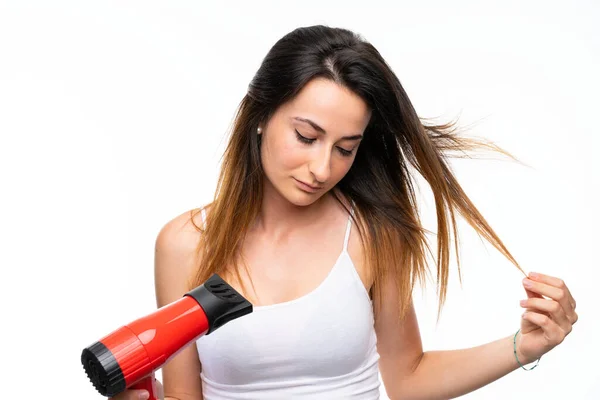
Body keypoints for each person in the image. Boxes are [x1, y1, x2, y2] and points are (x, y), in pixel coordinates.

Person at [111, 25, 578, 400]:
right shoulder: (185, 244)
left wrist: (523, 347)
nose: (321, 168)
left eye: (345, 148)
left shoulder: (371, 234)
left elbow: (409, 379)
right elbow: (182, 393)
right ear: (260, 114)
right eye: (307, 136)